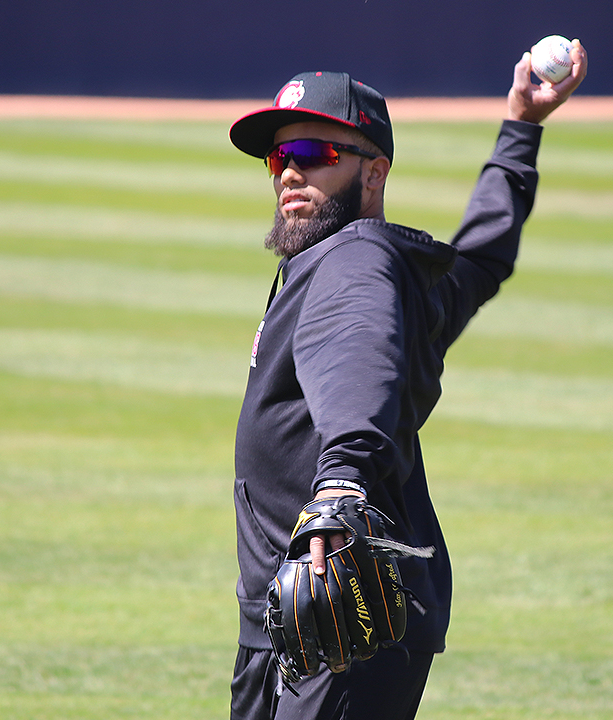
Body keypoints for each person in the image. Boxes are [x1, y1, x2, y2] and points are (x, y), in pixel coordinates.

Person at [228, 42, 587, 720]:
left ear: (374, 171)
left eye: (315, 154)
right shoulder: (385, 270)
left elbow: (356, 364)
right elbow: (479, 262)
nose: (289, 174)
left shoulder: (353, 263)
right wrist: (520, 130)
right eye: (280, 157)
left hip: (339, 621)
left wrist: (341, 482)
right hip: (307, 624)